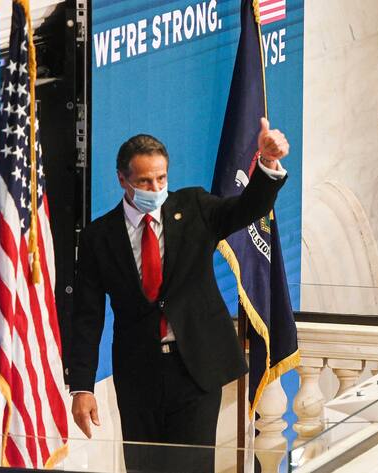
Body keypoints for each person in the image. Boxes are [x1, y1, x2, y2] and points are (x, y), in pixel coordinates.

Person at [66, 118, 289, 472]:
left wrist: (266, 166)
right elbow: (87, 316)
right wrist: (82, 386)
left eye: (161, 178)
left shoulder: (195, 207)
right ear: (122, 180)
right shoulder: (99, 238)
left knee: (192, 467)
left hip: (195, 367)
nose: (155, 187)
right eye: (144, 181)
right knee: (144, 467)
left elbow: (248, 209)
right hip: (139, 373)